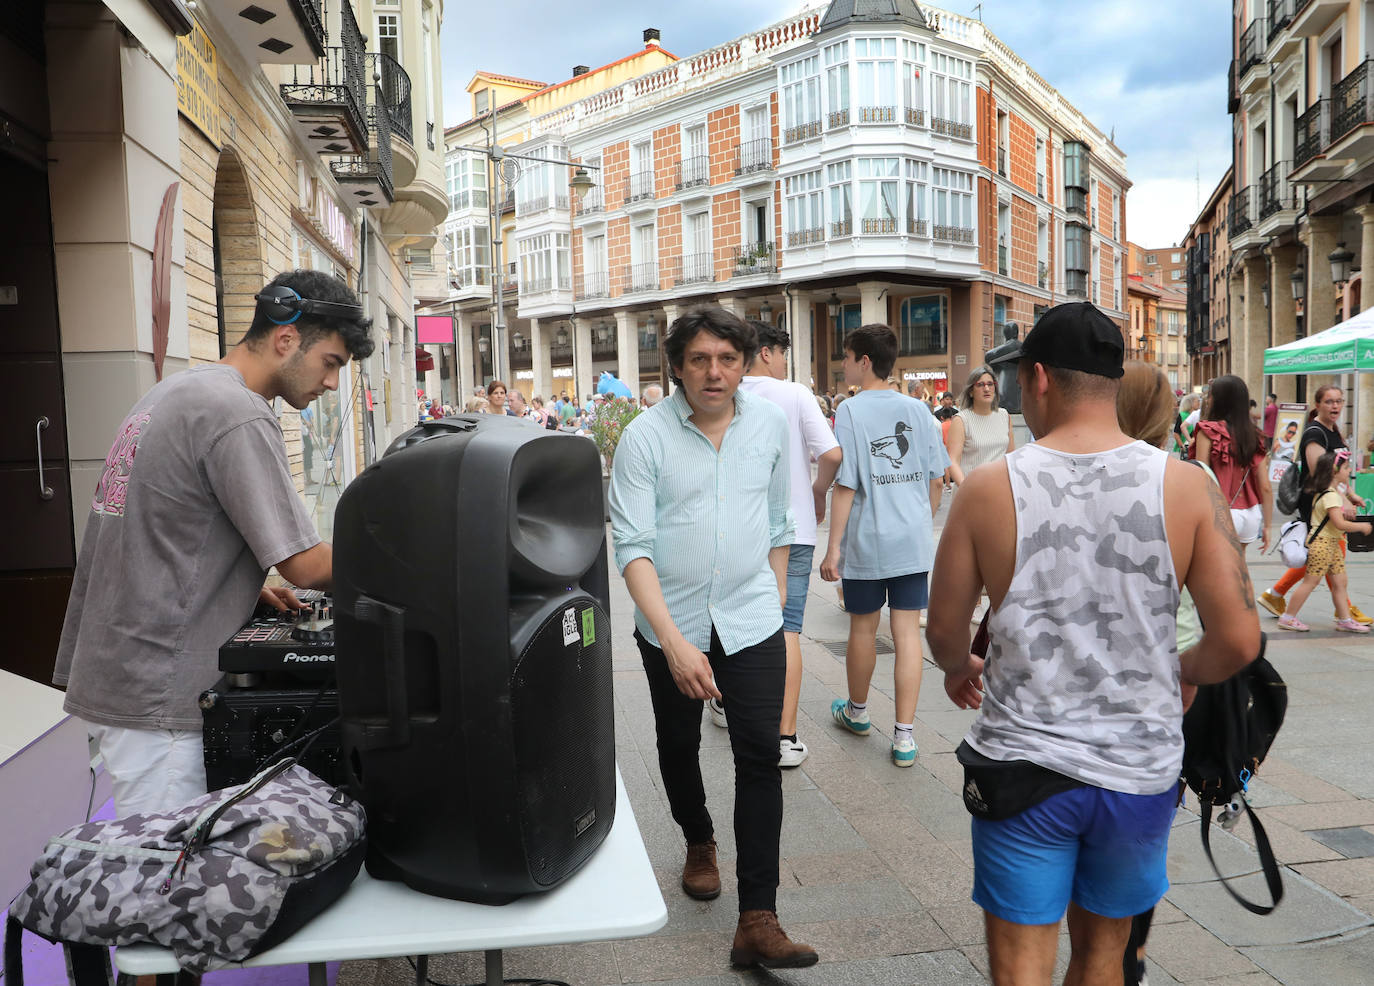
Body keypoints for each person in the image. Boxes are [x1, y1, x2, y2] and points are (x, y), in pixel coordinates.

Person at [926, 302, 1260, 986]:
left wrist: (963, 666)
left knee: (1021, 966)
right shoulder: (1187, 486)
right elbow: (1238, 638)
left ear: (1039, 379)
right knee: (1106, 956)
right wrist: (1176, 670)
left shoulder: (988, 489)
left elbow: (942, 630)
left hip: (1022, 765)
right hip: (1137, 771)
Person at [52, 269, 373, 817]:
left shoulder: (179, 390)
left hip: (124, 675)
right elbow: (305, 564)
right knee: (170, 882)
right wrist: (414, 566)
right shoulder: (237, 412)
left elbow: (170, 534)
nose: (332, 384)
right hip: (160, 697)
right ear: (286, 338)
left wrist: (239, 588)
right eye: (332, 363)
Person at [608, 306, 816, 969]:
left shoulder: (770, 425)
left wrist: (776, 594)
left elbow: (781, 518)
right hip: (670, 622)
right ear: (675, 367)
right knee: (678, 741)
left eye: (727, 358)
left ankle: (759, 917)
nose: (714, 371)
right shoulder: (646, 438)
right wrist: (671, 640)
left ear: (747, 362)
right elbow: (633, 547)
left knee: (761, 753)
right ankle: (699, 839)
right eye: (699, 359)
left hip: (752, 618)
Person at [819, 324, 949, 767]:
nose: (843, 363)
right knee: (907, 633)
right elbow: (938, 477)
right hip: (911, 540)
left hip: (868, 539)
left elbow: (846, 483)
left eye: (847, 356)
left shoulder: (851, 411)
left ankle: (857, 713)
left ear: (865, 362)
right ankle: (905, 737)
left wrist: (832, 548)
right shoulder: (920, 411)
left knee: (862, 628)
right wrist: (920, 519)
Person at [719, 320, 841, 769]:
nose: (785, 363)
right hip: (793, 528)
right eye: (783, 353)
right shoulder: (793, 393)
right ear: (767, 352)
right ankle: (785, 736)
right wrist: (817, 491)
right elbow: (831, 454)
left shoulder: (725, 393)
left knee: (733, 616)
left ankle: (726, 704)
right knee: (786, 628)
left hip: (735, 527)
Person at [1258, 384, 1370, 624]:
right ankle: (1344, 610)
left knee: (1322, 555)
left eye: (1339, 401)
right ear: (1318, 404)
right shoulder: (1314, 433)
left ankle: (1275, 594)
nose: (1336, 406)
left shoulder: (1334, 431)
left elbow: (1339, 470)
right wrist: (1341, 502)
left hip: (1333, 499)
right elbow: (1320, 474)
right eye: (1329, 401)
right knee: (1327, 552)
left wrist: (1350, 494)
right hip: (1319, 503)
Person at [1278, 450, 1373, 633]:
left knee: (1340, 582)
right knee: (1310, 582)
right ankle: (1288, 617)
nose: (1348, 472)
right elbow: (1339, 522)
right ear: (1333, 472)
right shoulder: (1330, 495)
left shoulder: (1331, 493)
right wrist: (1361, 527)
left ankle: (1345, 619)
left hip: (1332, 544)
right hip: (1322, 545)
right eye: (1345, 468)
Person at [1191, 374, 1272, 555]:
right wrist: (1267, 526)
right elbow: (1265, 486)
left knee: (1215, 573)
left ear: (1219, 400)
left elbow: (1201, 477)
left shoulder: (1208, 431)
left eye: (1211, 395)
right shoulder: (1255, 435)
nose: (1208, 399)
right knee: (1238, 568)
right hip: (1251, 513)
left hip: (1220, 510)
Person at [945, 365, 1014, 487]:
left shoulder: (1004, 415)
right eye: (980, 385)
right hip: (970, 491)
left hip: (999, 490)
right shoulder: (961, 420)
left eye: (990, 384)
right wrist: (966, 489)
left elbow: (1011, 457)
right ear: (971, 391)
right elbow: (952, 462)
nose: (986, 388)